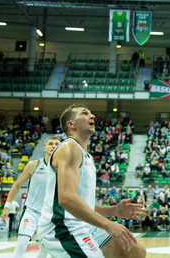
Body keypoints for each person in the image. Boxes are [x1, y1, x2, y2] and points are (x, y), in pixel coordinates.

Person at [37, 104, 147, 257]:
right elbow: (67, 198)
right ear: (71, 124)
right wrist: (108, 224)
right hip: (62, 227)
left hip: (82, 224)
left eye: (91, 114)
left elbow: (86, 205)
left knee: (135, 253)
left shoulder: (87, 157)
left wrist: (114, 210)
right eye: (84, 113)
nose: (93, 116)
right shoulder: (69, 147)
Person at [1, 136, 61, 258]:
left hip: (49, 215)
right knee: (20, 247)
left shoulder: (64, 169)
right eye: (50, 144)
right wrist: (7, 206)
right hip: (31, 212)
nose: (53, 146)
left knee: (44, 252)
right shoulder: (33, 165)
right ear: (44, 148)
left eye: (56, 144)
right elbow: (17, 185)